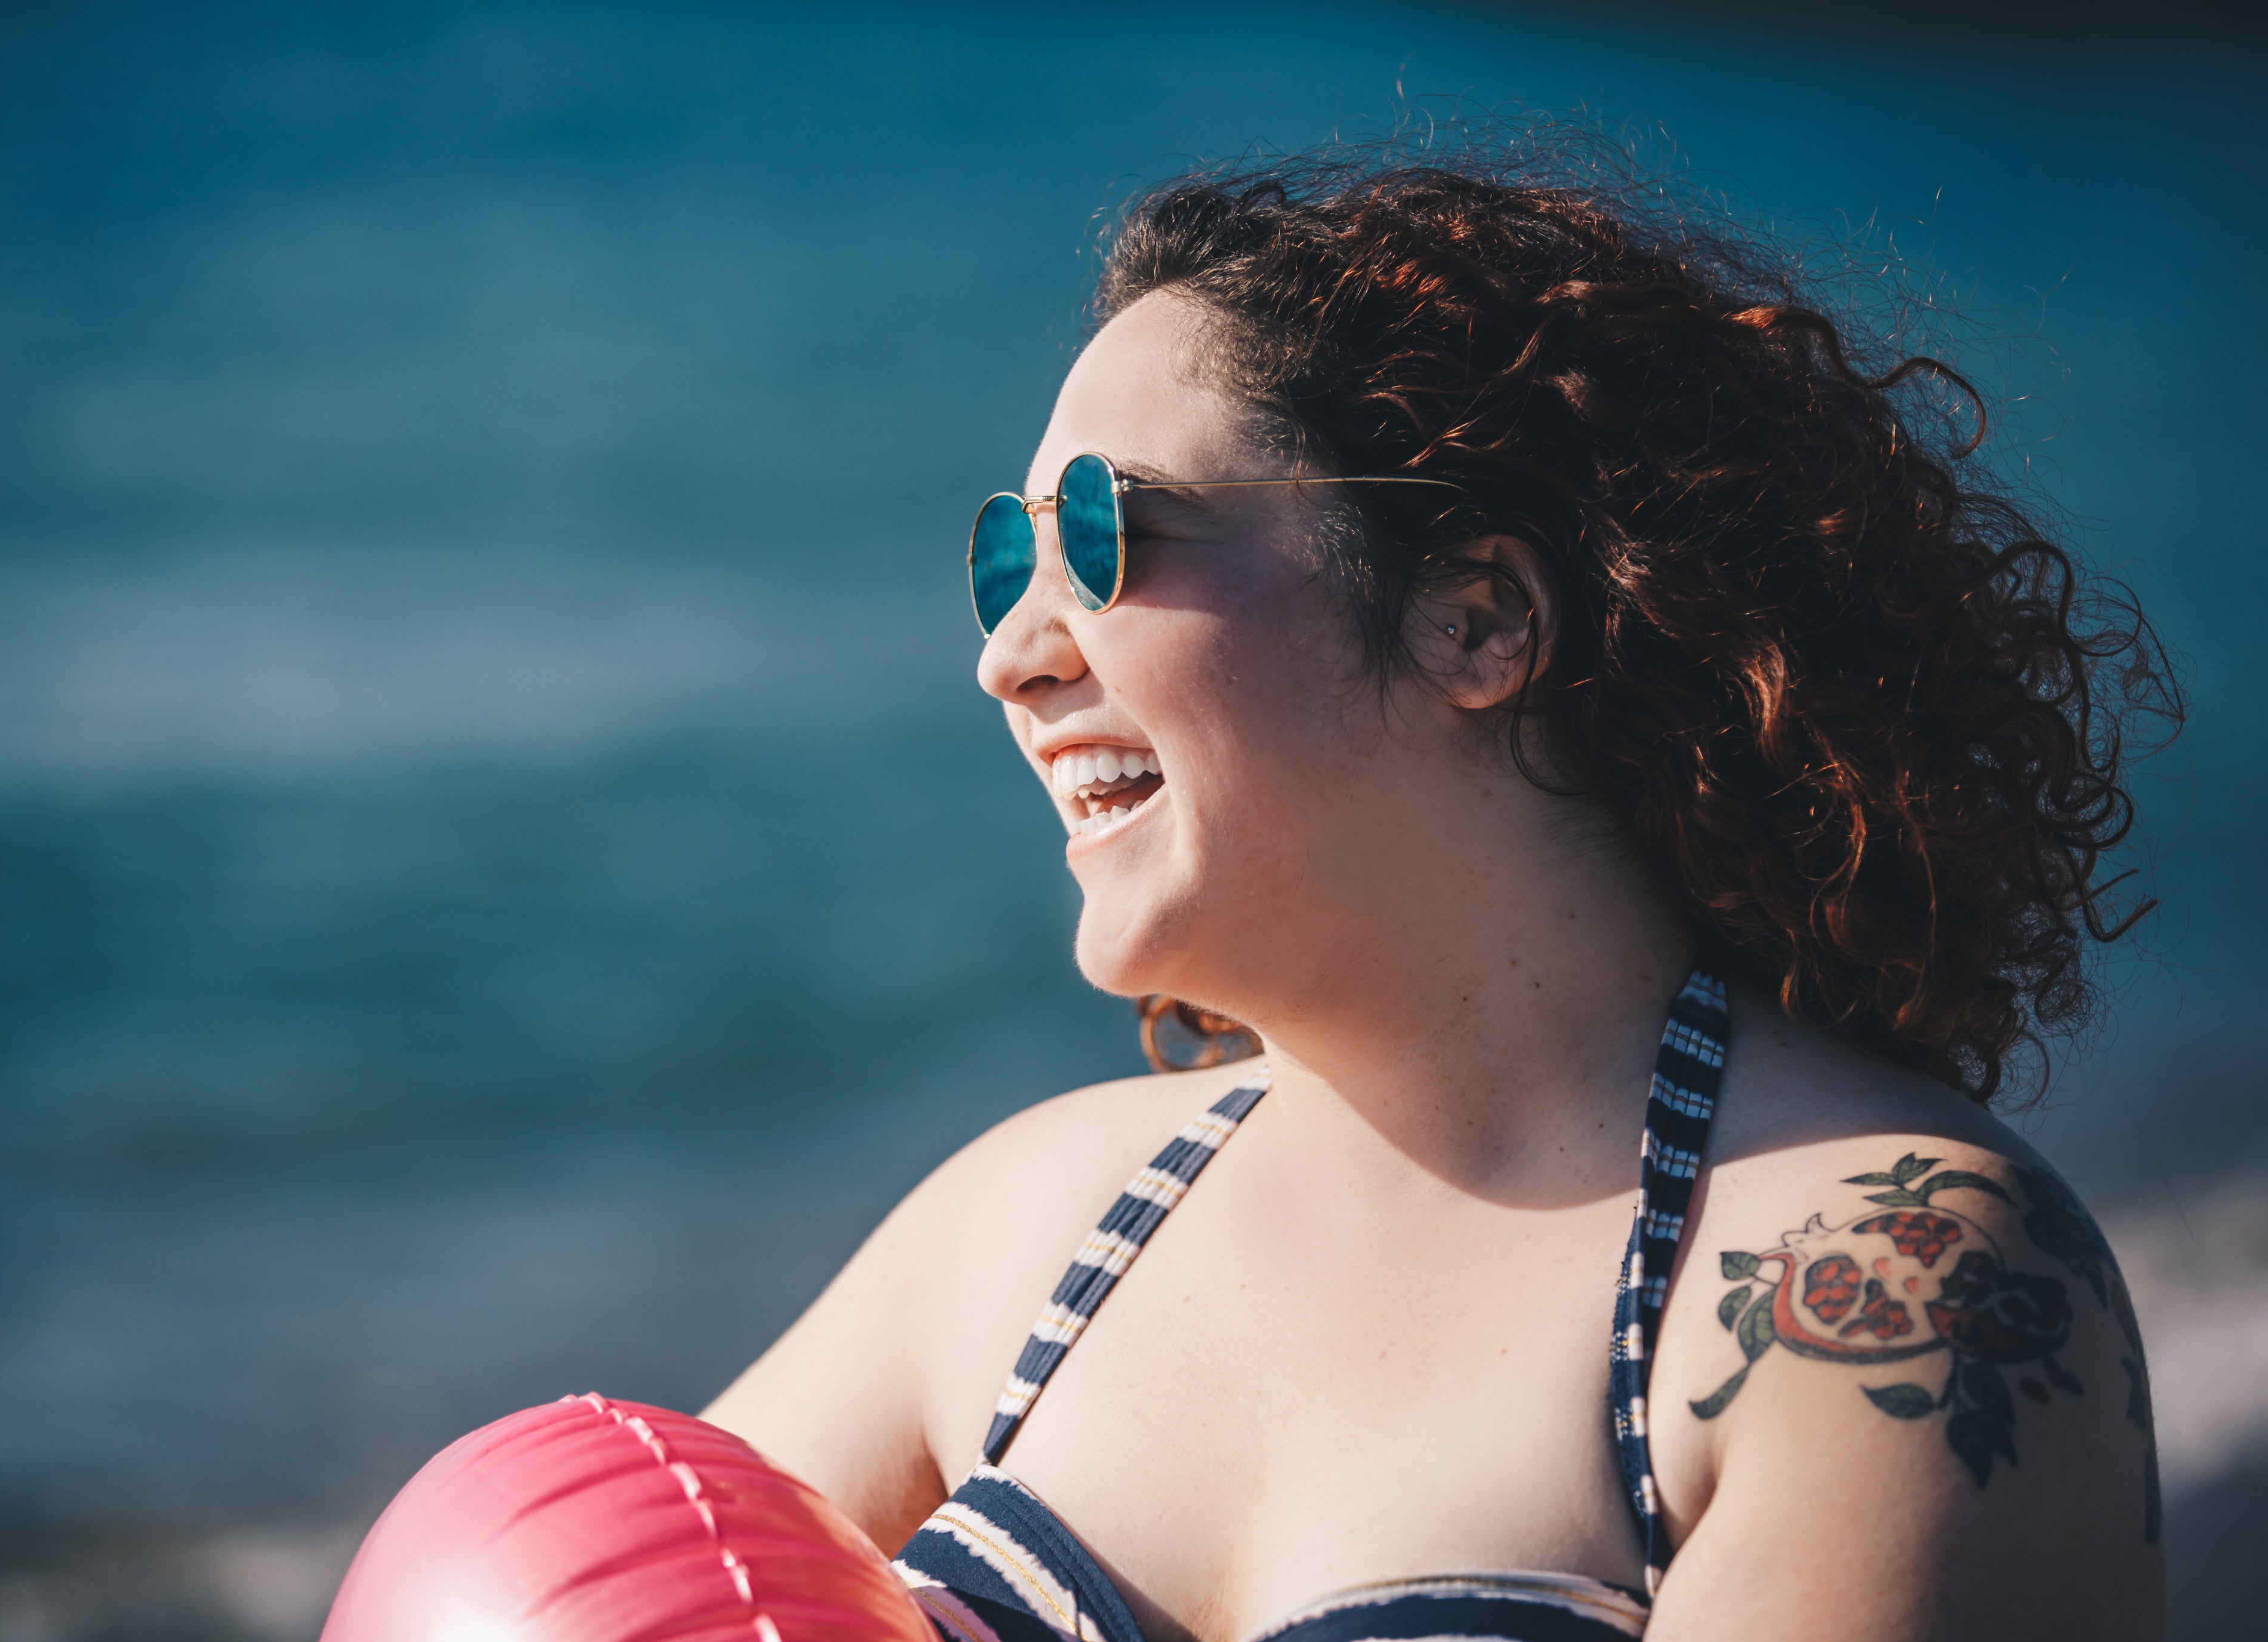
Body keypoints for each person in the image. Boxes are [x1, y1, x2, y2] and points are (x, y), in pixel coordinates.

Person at [704, 151, 2177, 1641]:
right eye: (1002, 561)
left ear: (1476, 618)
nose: (1007, 656)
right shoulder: (1021, 1230)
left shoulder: (1887, 1283)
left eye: (1100, 535)